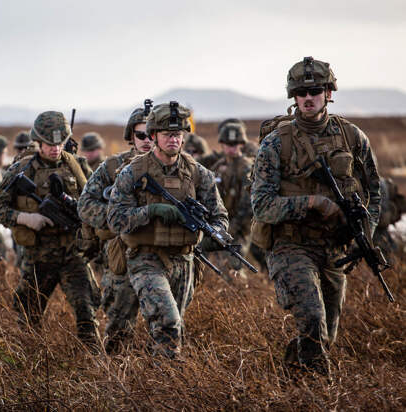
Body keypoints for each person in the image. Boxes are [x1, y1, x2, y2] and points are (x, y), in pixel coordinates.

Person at [251, 57, 381, 376]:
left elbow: (374, 193)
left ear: (328, 93)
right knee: (312, 317)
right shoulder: (275, 143)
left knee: (325, 335)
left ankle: (291, 377)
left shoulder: (352, 137)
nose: (308, 98)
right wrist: (314, 203)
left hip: (334, 248)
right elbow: (262, 205)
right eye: (301, 93)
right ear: (293, 97)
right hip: (290, 246)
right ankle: (317, 391)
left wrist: (365, 234)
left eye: (315, 91)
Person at [107, 102, 228, 358]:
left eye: (177, 134)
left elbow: (219, 216)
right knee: (168, 322)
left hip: (184, 260)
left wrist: (214, 232)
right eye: (167, 134)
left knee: (173, 331)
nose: (173, 139)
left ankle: (159, 377)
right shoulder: (133, 173)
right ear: (153, 136)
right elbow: (115, 219)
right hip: (145, 258)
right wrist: (151, 211)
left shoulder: (199, 174)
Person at [0, 111, 100, 348]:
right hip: (38, 257)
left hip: (73, 254)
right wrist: (24, 218)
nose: (55, 149)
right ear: (38, 142)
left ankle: (93, 363)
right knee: (29, 320)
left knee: (87, 315)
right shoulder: (21, 170)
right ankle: (30, 364)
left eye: (60, 143)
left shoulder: (77, 166)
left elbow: (96, 203)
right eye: (49, 144)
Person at [77, 104, 154, 353]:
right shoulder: (112, 167)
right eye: (141, 134)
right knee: (119, 336)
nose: (147, 140)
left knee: (166, 332)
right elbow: (85, 205)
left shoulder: (177, 168)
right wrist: (121, 218)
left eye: (153, 134)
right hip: (123, 260)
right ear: (131, 136)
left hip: (163, 258)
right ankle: (115, 375)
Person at [209, 120, 254, 282]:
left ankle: (242, 292)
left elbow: (247, 205)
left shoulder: (247, 167)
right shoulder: (218, 167)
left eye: (235, 144)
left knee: (234, 267)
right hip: (220, 225)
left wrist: (232, 228)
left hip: (240, 228)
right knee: (216, 268)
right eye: (228, 144)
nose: (232, 148)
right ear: (222, 144)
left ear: (241, 144)